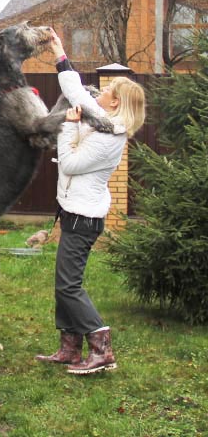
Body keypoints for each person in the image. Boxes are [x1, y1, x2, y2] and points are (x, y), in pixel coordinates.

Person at [35, 30, 146, 375]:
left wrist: (67, 129)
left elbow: (70, 163)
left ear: (115, 103)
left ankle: (101, 347)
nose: (103, 92)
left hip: (84, 219)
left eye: (109, 91)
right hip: (75, 212)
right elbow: (77, 92)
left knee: (69, 285)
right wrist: (59, 53)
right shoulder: (103, 120)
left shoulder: (110, 137)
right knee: (63, 282)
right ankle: (70, 348)